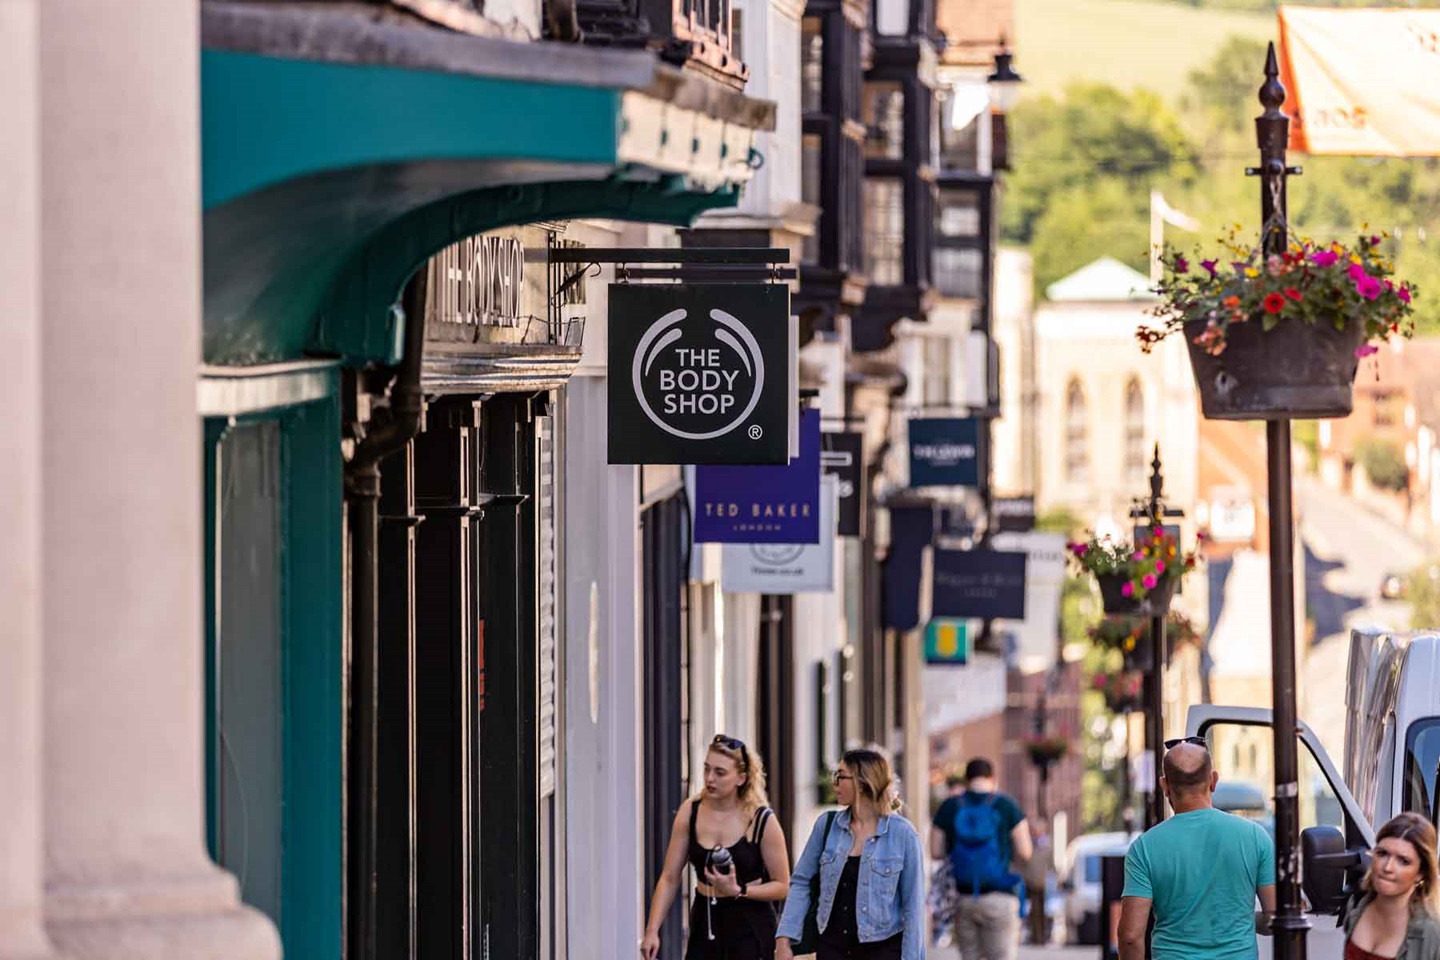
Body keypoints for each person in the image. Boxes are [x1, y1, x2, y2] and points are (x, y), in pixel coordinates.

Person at [1118, 737, 1276, 960]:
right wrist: (1241, 918)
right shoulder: (1255, 837)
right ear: (1213, 781)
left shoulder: (1144, 848)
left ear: (1165, 786)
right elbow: (1275, 919)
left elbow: (1130, 936)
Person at [642, 735, 791, 960]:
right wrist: (652, 930)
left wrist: (739, 891)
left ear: (741, 778)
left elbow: (782, 885)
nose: (710, 778)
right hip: (706, 920)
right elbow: (670, 877)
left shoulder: (761, 820)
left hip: (751, 925)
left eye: (720, 773)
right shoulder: (690, 811)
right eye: (706, 769)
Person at [775, 748, 927, 960]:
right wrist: (784, 940)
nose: (834, 783)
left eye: (840, 776)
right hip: (831, 949)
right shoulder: (826, 826)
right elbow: (801, 882)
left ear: (863, 782)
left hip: (882, 951)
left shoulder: (903, 834)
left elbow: (914, 908)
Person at [930, 758, 1032, 960]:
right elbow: (1026, 851)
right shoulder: (1007, 805)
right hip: (1000, 897)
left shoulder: (950, 806)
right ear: (992, 778)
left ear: (967, 780)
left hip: (963, 898)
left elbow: (935, 851)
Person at [1343, 812, 1440, 960]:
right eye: (1382, 854)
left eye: (1403, 861)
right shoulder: (1357, 904)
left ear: (1421, 872)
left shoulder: (1431, 932)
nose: (1388, 867)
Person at [1020, 816, 1053, 946]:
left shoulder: (1046, 845)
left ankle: (1040, 937)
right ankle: (1035, 936)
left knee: (1041, 910)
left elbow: (1050, 865)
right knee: (1033, 909)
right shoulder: (1029, 843)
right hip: (1030, 881)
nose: (1036, 831)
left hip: (1042, 882)